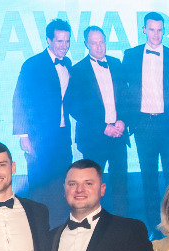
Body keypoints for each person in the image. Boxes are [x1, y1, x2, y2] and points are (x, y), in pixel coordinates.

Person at [122, 12, 169, 228]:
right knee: (148, 177)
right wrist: (131, 122)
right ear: (144, 30)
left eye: (159, 30)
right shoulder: (130, 55)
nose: (156, 34)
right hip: (144, 126)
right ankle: (152, 225)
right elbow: (124, 91)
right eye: (151, 29)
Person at [65, 26, 130, 216]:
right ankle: (92, 223)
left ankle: (121, 223)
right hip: (94, 137)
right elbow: (74, 106)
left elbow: (127, 98)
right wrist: (103, 127)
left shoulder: (117, 64)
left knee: (120, 182)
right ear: (86, 44)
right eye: (94, 43)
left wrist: (123, 121)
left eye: (102, 42)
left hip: (118, 134)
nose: (99, 47)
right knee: (91, 184)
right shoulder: (77, 70)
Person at [12, 18, 73, 219]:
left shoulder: (68, 63)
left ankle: (60, 228)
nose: (64, 46)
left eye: (67, 41)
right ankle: (39, 232)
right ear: (48, 40)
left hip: (63, 135)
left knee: (62, 185)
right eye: (59, 41)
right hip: (39, 137)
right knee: (39, 187)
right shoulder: (32, 64)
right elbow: (19, 99)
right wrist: (23, 135)